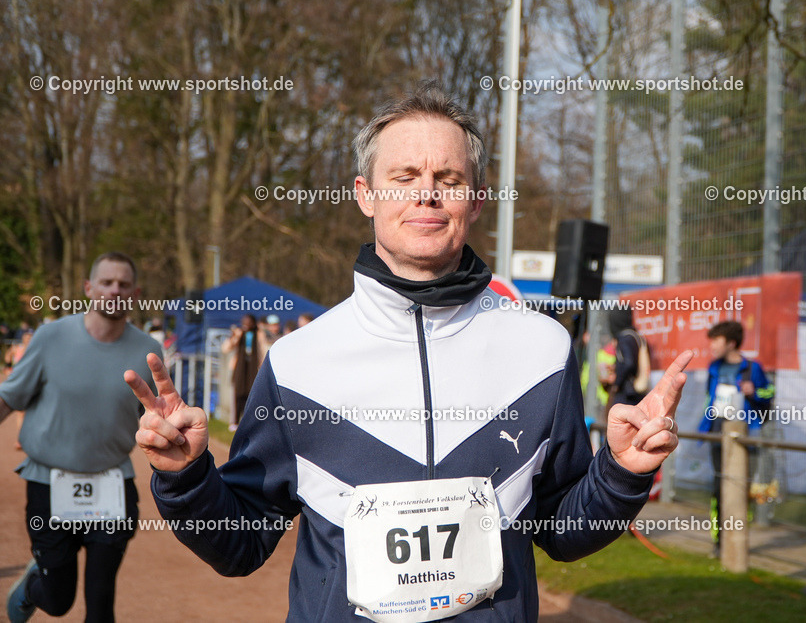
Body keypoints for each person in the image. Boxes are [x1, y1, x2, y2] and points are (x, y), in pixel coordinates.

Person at [124, 82, 694, 622]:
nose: (427, 193)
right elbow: (240, 544)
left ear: (474, 201)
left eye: (448, 177)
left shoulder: (543, 349)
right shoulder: (297, 362)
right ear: (365, 196)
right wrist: (186, 475)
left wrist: (621, 472)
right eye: (405, 176)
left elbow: (562, 532)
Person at [3, 252, 161, 623]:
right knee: (58, 600)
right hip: (49, 482)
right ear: (89, 288)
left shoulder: (149, 353)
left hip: (112, 482)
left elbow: (155, 417)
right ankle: (32, 586)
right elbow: (10, 397)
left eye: (124, 285)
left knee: (101, 601)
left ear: (135, 294)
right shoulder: (50, 336)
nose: (115, 290)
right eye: (106, 282)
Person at [697, 320, 774, 556]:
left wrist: (756, 392)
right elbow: (709, 397)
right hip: (717, 432)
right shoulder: (714, 368)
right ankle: (718, 541)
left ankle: (738, 539)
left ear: (731, 343)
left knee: (740, 487)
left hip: (743, 433)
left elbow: (769, 393)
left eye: (716, 342)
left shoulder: (753, 368)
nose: (711, 347)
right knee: (718, 487)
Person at [220, 313, 266, 430]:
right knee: (237, 394)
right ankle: (234, 421)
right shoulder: (239, 333)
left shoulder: (259, 334)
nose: (246, 324)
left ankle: (248, 420)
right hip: (240, 368)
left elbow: (263, 349)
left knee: (251, 393)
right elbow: (225, 348)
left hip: (253, 367)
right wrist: (235, 336)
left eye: (248, 322)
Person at [606, 307, 649, 408]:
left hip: (627, 392)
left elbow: (628, 363)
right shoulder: (636, 336)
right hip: (637, 389)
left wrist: (617, 382)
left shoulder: (624, 338)